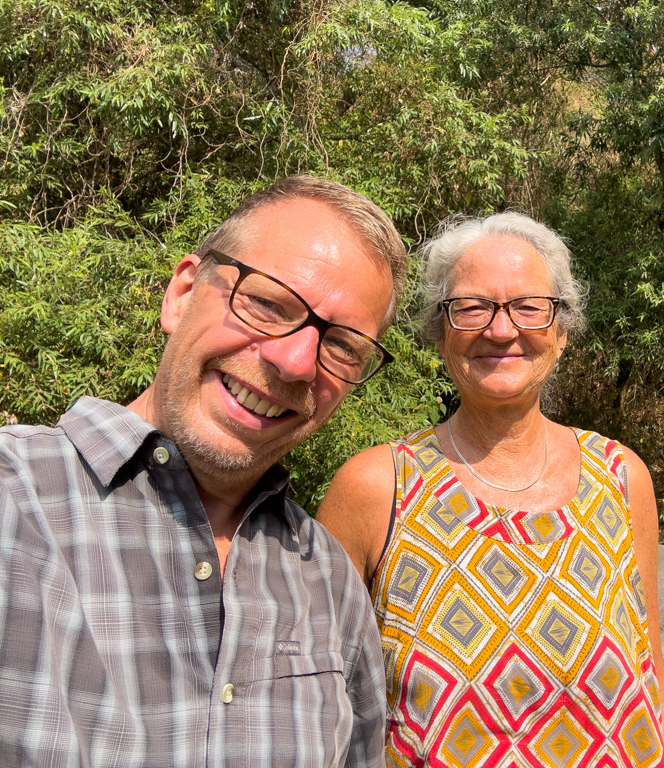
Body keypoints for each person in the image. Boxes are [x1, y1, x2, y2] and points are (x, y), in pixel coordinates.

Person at [0, 176, 407, 767]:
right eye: (267, 303)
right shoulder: (15, 499)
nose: (294, 361)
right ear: (182, 292)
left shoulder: (330, 582)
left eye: (342, 346)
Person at [319, 212, 664, 767]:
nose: (501, 329)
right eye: (472, 307)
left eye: (530, 306)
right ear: (441, 333)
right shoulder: (376, 487)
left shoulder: (622, 477)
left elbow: (650, 673)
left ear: (561, 332)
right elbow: (317, 698)